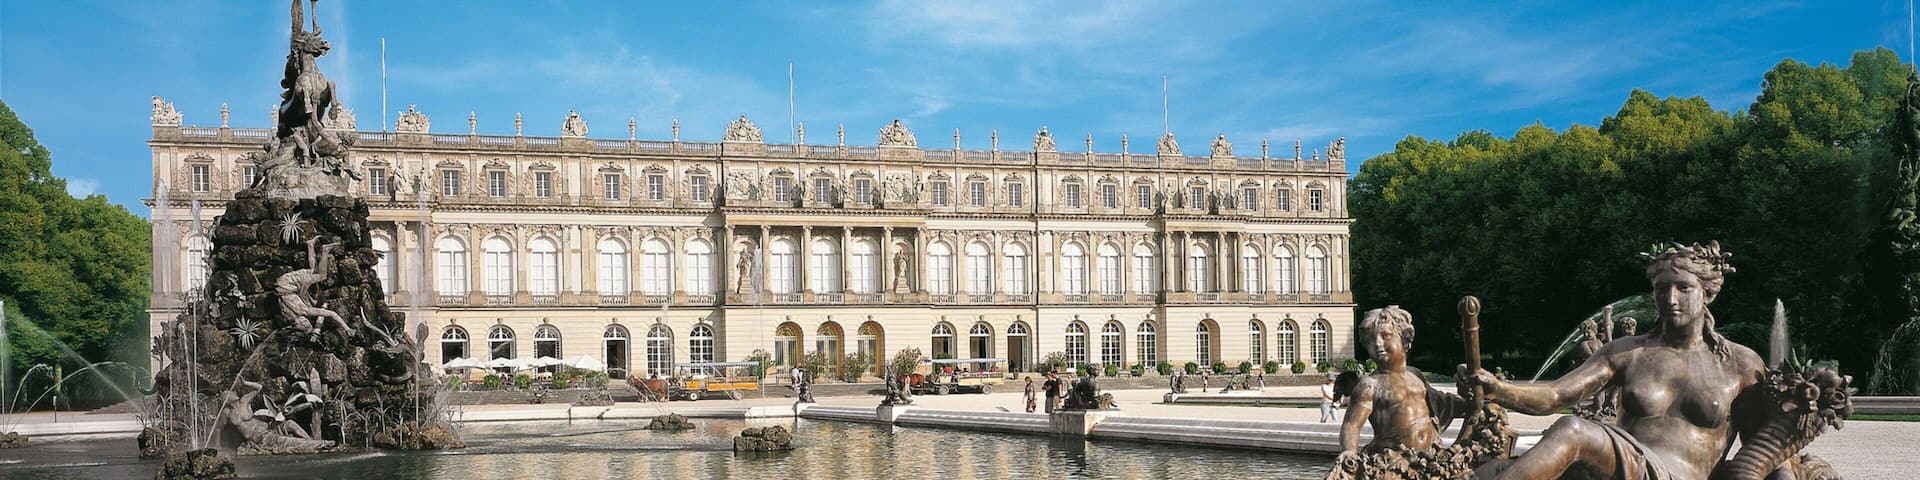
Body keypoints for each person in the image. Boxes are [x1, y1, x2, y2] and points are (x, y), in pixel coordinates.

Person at [1457, 241, 1767, 480]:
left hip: (1680, 475)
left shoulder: (1739, 364)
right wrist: (1497, 388)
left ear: (1708, 292)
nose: (1670, 299)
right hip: (1633, 465)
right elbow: (1555, 395)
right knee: (1564, 436)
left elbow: (1763, 449)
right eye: (1661, 289)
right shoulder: (1629, 351)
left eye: (1683, 288)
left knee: (1574, 431)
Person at [1336, 307, 1473, 461]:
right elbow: (1351, 425)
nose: (1377, 343)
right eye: (1371, 339)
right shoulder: (1369, 385)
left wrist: (1471, 400)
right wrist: (1349, 451)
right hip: (1394, 462)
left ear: (1405, 339)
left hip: (1428, 457)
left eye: (1385, 335)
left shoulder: (1415, 375)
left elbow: (1443, 404)